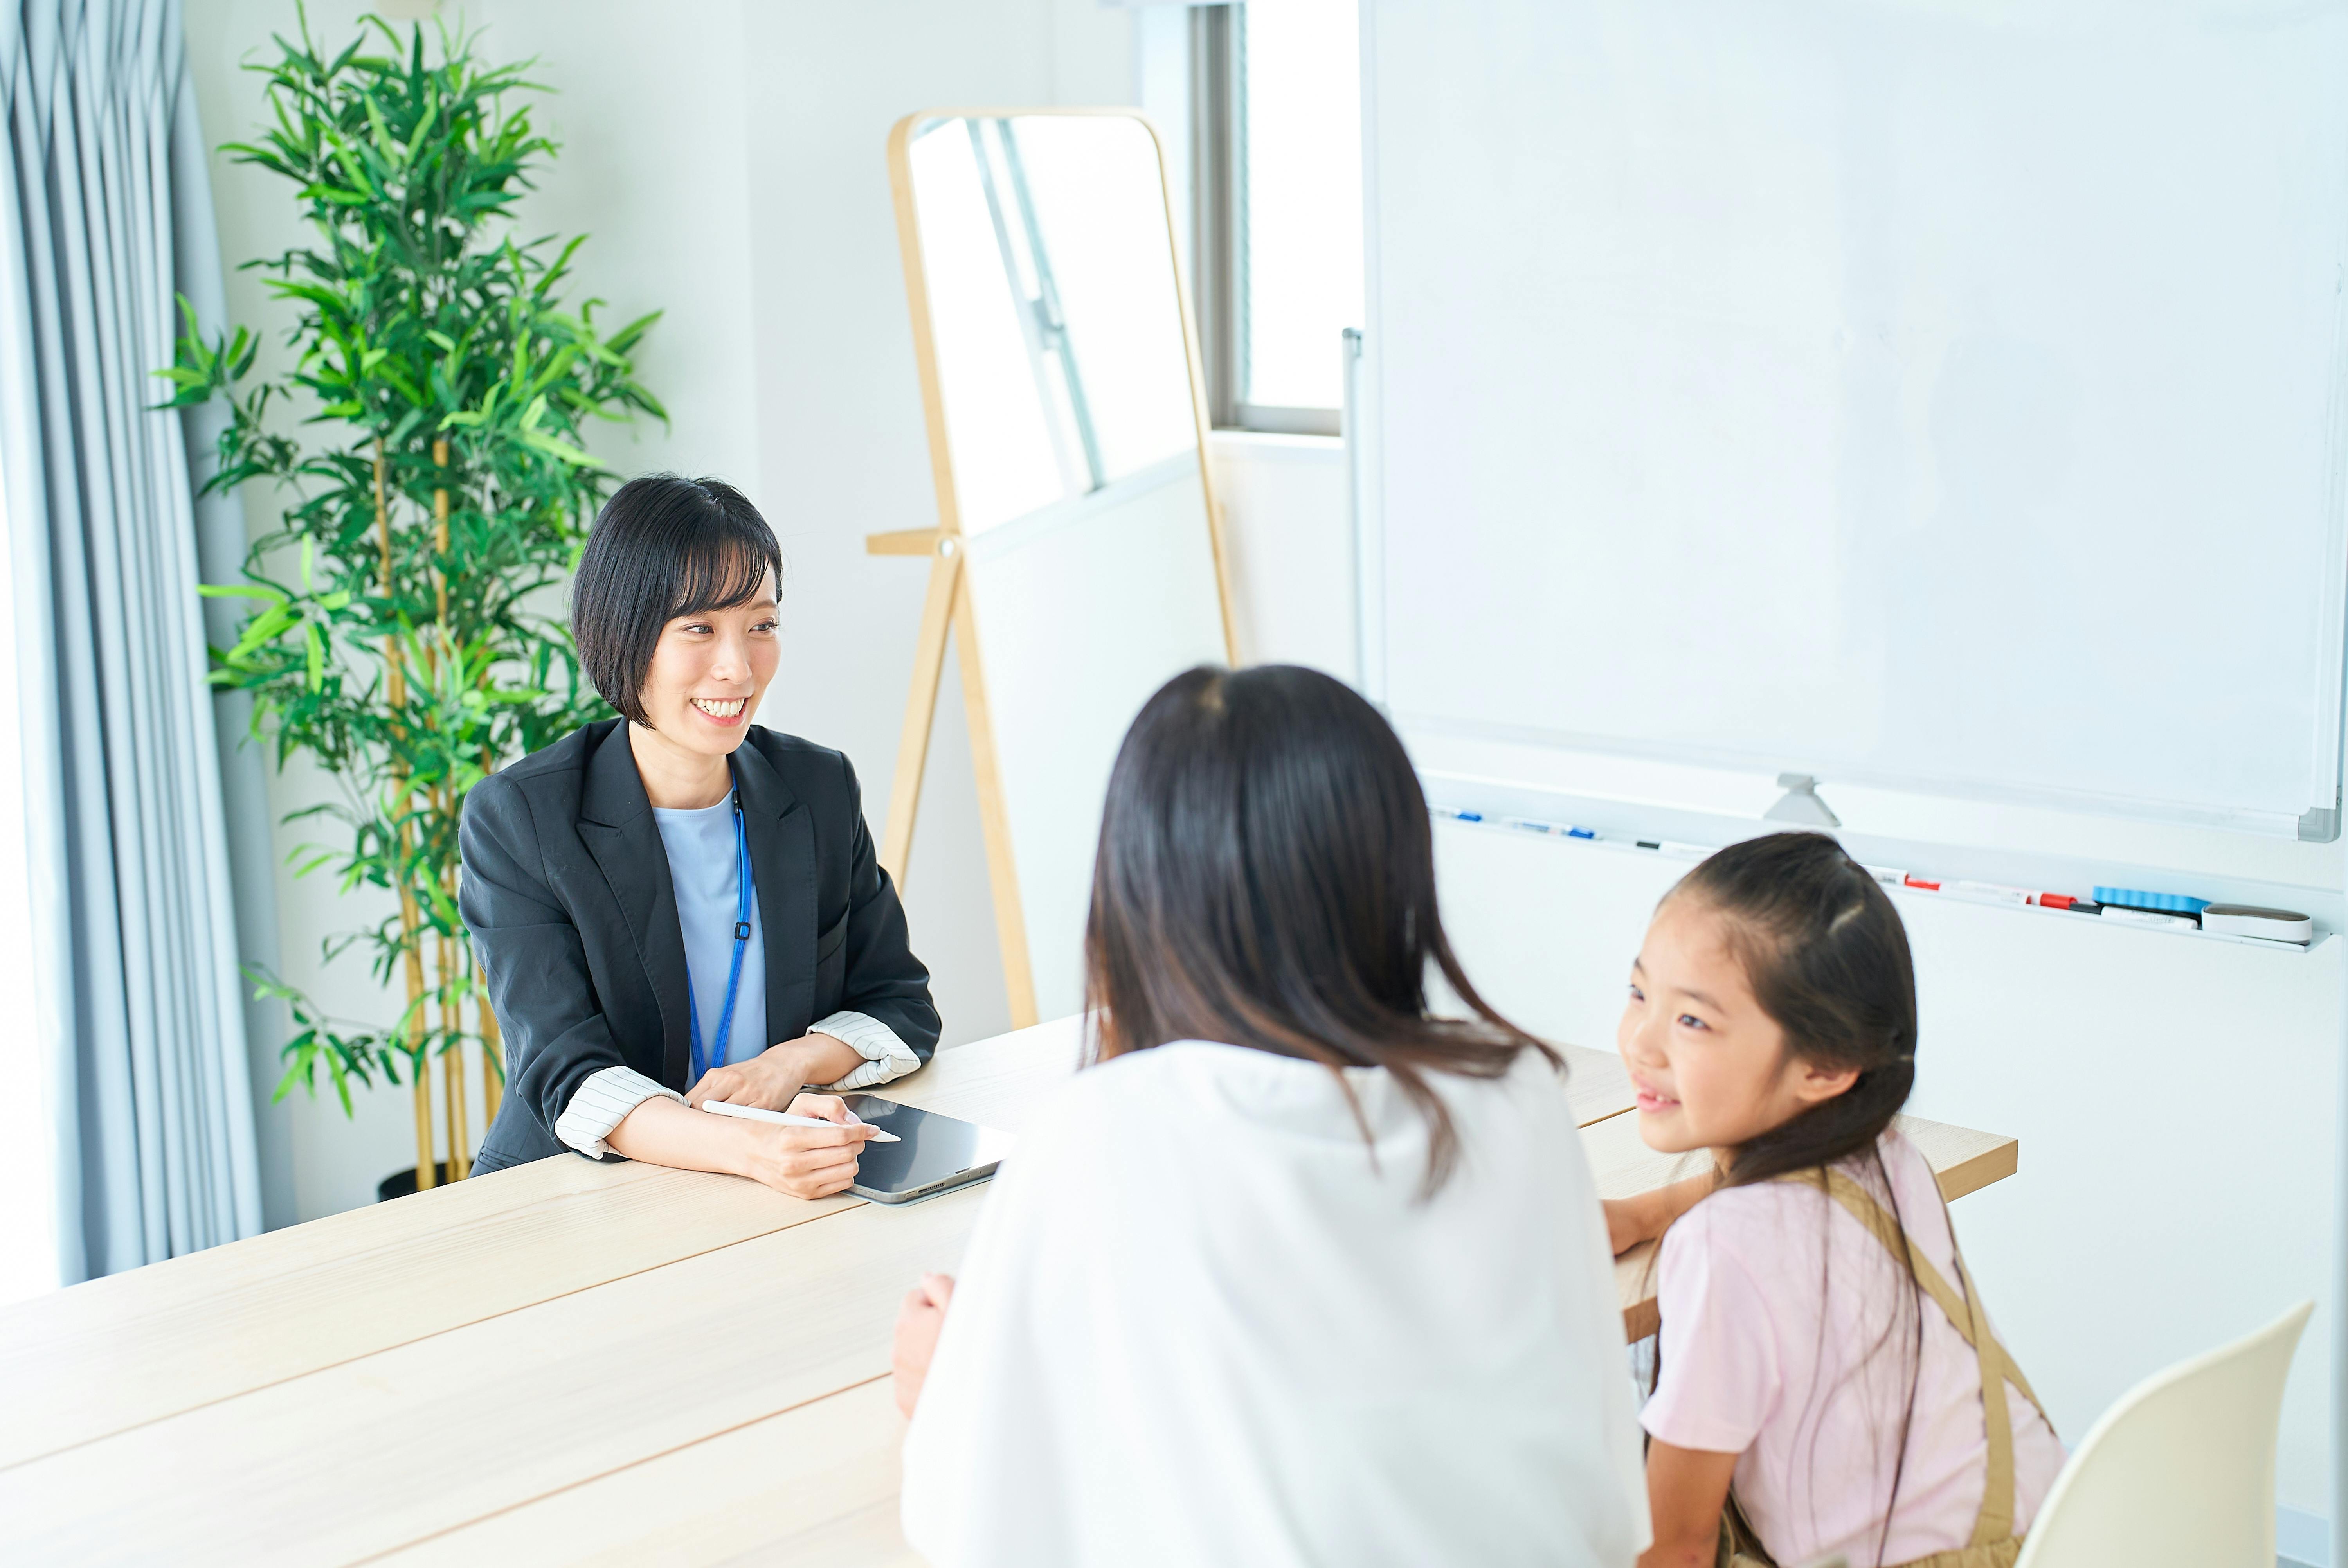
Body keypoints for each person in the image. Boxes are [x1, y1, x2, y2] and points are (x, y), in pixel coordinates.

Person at [890, 664, 1648, 1568]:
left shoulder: (1103, 1132)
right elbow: (1601, 1497)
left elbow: (980, 1528)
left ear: (1141, 894)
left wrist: (955, 1392)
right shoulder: (1513, 1094)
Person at [459, 475, 939, 1193]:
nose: (738, 668)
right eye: (699, 628)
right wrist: (747, 1149)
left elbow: (901, 1005)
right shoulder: (521, 818)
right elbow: (568, 1072)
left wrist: (789, 1065)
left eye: (762, 625)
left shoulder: (817, 788)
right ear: (623, 632)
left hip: (775, 1190)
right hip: (574, 1196)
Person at [1613, 832, 2064, 1568]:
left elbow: (1678, 1548)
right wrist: (1645, 1214)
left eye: (1692, 1020)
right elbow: (1751, 1196)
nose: (1641, 1043)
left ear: (1825, 1065)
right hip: (2049, 1536)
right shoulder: (1888, 1157)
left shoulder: (1725, 1248)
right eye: (1639, 994)